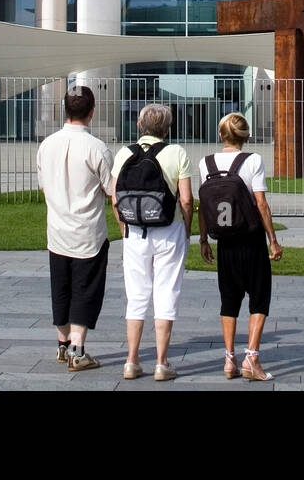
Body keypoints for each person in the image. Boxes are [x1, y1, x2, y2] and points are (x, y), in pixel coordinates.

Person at [110, 103, 194, 381]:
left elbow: (114, 197)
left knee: (136, 296)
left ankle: (131, 360)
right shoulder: (176, 152)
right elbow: (186, 199)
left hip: (134, 232)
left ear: (138, 125)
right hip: (169, 230)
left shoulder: (124, 153)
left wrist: (123, 226)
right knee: (166, 291)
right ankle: (161, 362)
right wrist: (188, 229)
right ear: (167, 128)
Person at [198, 112, 283, 382]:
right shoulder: (252, 160)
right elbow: (261, 204)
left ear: (221, 134)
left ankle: (228, 358)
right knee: (259, 297)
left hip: (224, 242)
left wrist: (202, 239)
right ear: (245, 135)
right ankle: (252, 357)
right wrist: (273, 239)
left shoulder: (206, 163)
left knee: (229, 300)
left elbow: (203, 206)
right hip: (251, 238)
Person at [35, 85, 114, 372]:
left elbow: (44, 188)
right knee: (84, 289)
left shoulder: (46, 145)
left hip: (57, 229)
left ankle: (62, 344)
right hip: (87, 232)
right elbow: (111, 190)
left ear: (64, 109)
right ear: (92, 112)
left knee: (61, 288)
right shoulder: (97, 148)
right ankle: (78, 350)